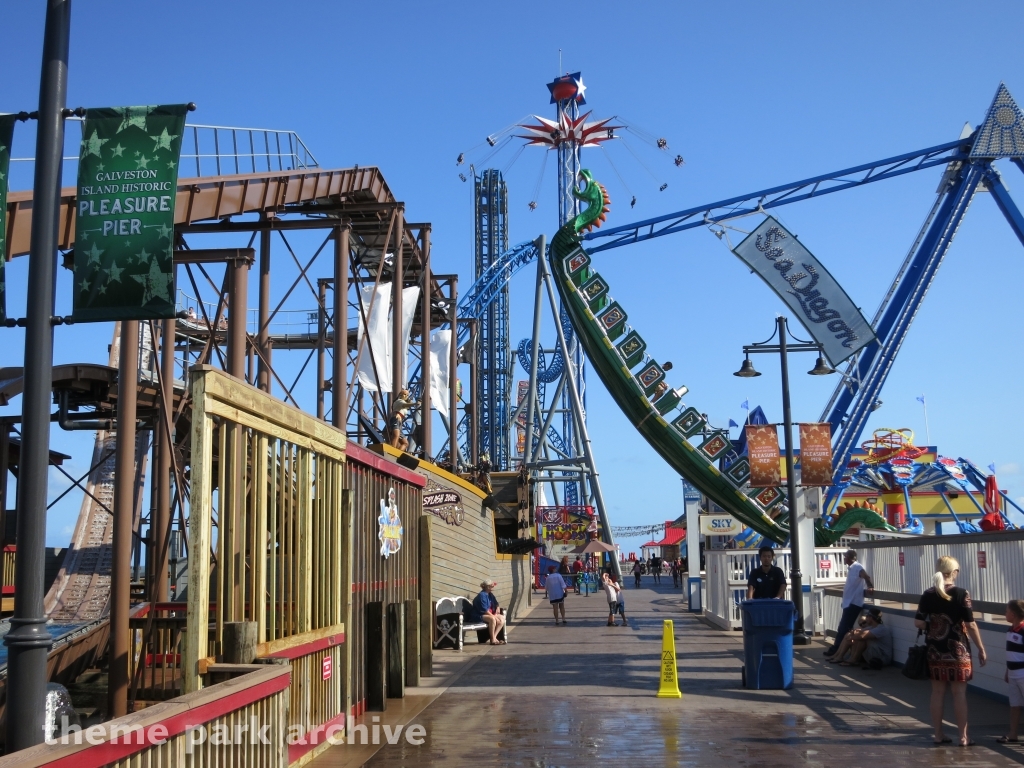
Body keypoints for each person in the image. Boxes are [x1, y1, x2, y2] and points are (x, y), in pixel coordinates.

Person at [915, 555, 987, 746]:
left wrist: (934, 625)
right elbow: (970, 625)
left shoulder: (928, 594)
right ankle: (963, 737)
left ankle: (938, 735)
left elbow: (918, 621)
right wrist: (980, 648)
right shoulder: (962, 593)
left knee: (937, 693)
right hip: (958, 650)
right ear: (954, 572)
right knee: (959, 694)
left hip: (934, 650)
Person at [825, 550, 874, 658]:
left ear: (849, 557)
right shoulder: (852, 568)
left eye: (845, 556)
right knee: (844, 627)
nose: (844, 558)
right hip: (849, 603)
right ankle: (840, 650)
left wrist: (870, 586)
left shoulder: (857, 567)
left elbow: (866, 576)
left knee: (844, 628)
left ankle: (836, 650)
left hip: (854, 603)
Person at [828, 608, 892, 668]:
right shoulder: (872, 627)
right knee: (849, 634)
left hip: (882, 658)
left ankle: (853, 659)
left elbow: (862, 636)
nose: (866, 619)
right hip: (874, 655)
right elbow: (859, 631)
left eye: (867, 616)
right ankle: (839, 656)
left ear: (871, 618)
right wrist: (852, 634)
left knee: (861, 639)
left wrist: (851, 637)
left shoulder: (881, 629)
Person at [998, 599, 1024, 744]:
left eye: (1007, 611)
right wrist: (1008, 671)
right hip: (1013, 674)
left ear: (1013, 614)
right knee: (1015, 705)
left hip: (1023, 673)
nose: (1005, 614)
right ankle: (1013, 733)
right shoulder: (1010, 630)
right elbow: (1011, 653)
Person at [471, 579, 505, 645]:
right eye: (492, 586)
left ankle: (494, 637)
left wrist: (497, 607)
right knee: (492, 619)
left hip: (489, 613)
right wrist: (494, 617)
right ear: (487, 587)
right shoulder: (482, 595)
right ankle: (492, 639)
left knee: (502, 618)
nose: (493, 587)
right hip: (479, 615)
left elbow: (496, 603)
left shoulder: (490, 594)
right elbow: (484, 610)